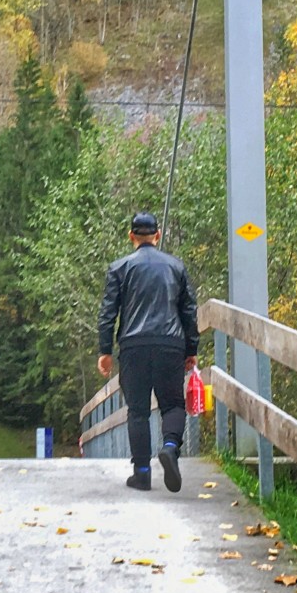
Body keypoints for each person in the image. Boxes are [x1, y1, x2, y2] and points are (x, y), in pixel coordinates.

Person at [97, 211, 199, 493]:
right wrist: (192, 348)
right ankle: (169, 447)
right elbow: (189, 311)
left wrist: (105, 350)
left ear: (131, 237)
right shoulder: (176, 267)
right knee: (173, 404)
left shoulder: (119, 268)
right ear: (158, 236)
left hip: (134, 347)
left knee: (138, 411)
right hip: (170, 344)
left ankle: (141, 474)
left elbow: (108, 313)